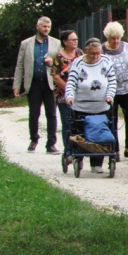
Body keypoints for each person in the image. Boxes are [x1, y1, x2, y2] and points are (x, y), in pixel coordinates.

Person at [65, 38, 117, 173]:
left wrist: (110, 95)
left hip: (101, 106)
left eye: (98, 53)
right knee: (82, 134)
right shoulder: (78, 63)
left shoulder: (106, 61)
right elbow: (71, 82)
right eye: (92, 53)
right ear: (86, 50)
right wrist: (69, 96)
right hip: (81, 107)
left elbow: (112, 81)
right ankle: (79, 158)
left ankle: (97, 163)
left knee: (99, 135)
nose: (95, 56)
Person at [13, 16, 62, 154]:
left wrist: (51, 63)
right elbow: (20, 65)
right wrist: (16, 85)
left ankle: (51, 144)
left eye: (48, 27)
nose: (46, 29)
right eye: (44, 26)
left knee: (51, 114)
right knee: (34, 113)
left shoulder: (56, 43)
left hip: (50, 84)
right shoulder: (26, 44)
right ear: (37, 27)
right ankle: (34, 139)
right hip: (33, 83)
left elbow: (60, 64)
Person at [102, 22, 128, 161]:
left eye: (118, 37)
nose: (116, 41)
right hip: (109, 90)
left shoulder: (126, 46)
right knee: (112, 119)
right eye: (112, 38)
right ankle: (114, 150)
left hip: (127, 88)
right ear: (107, 37)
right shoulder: (102, 49)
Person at [51, 30, 83, 160]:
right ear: (65, 42)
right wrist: (69, 90)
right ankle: (68, 150)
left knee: (79, 122)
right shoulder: (58, 57)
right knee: (67, 123)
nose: (76, 41)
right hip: (63, 96)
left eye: (76, 39)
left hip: (80, 95)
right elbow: (55, 77)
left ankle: (79, 148)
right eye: (72, 39)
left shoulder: (80, 54)